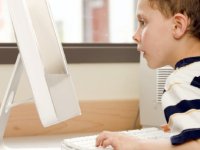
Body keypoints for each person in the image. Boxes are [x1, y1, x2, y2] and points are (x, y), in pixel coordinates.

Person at [95, 0, 200, 149]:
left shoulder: (181, 81)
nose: (135, 35)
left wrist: (138, 145)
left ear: (177, 26)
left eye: (143, 22)